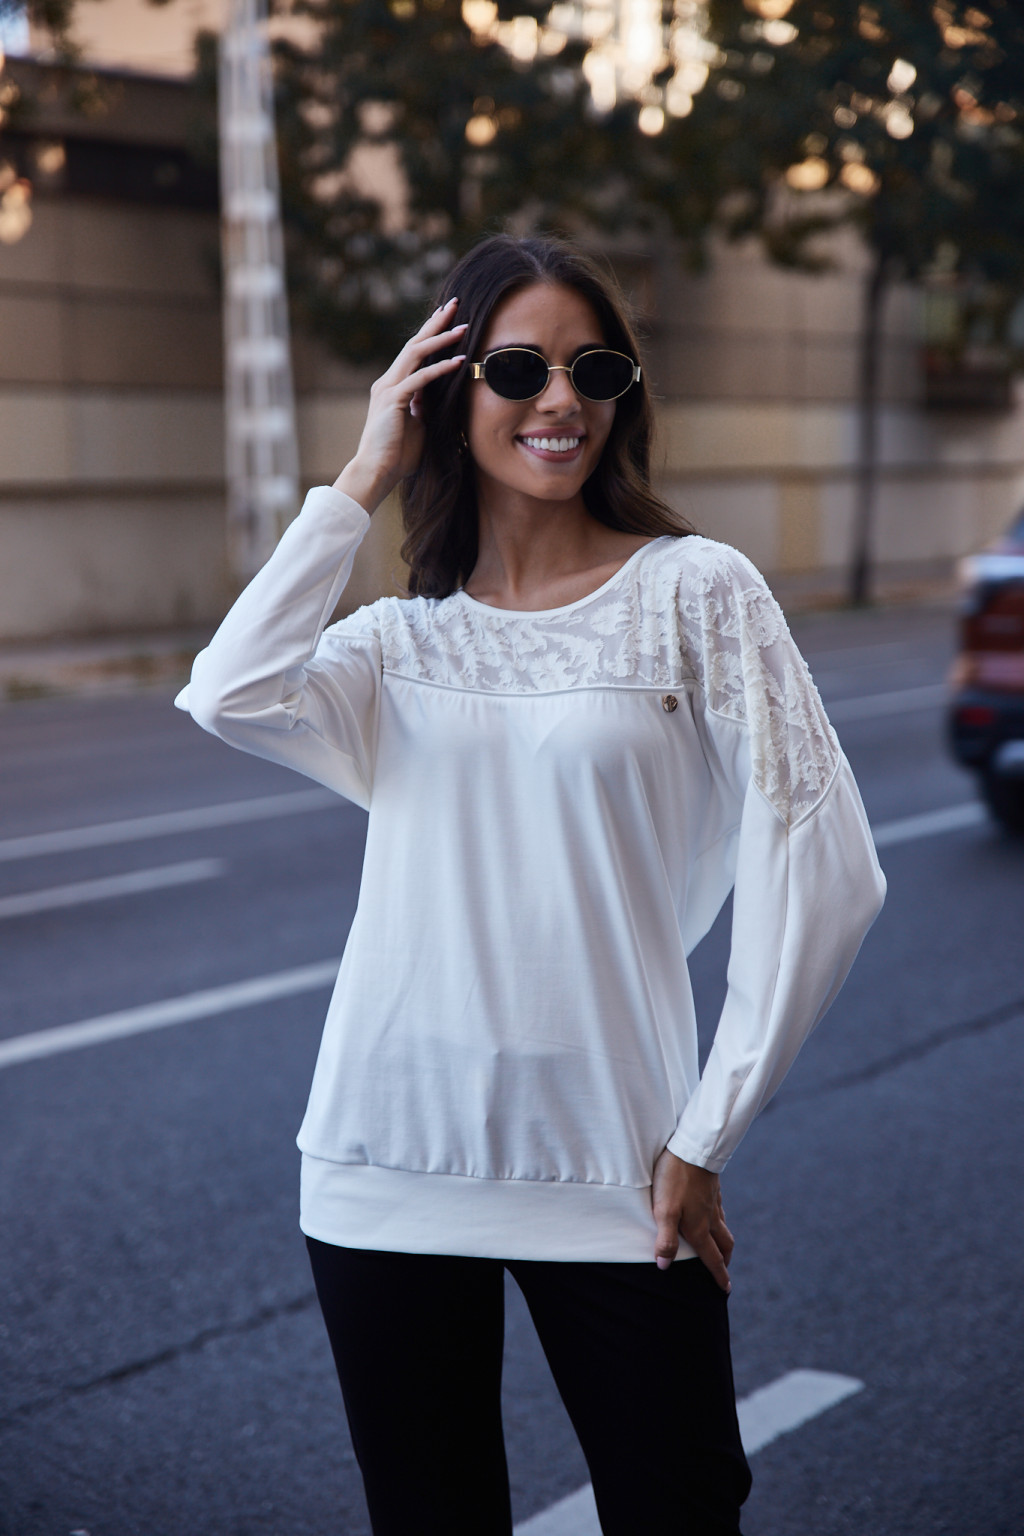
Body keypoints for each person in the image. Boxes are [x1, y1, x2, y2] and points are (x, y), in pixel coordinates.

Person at [177, 233, 886, 1536]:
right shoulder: (398, 641)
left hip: (621, 1167)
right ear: (449, 394)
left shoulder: (697, 593)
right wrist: (361, 474)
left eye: (592, 369)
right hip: (383, 1159)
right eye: (517, 368)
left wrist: (708, 1131)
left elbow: (826, 864)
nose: (560, 399)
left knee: (680, 1506)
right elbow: (229, 693)